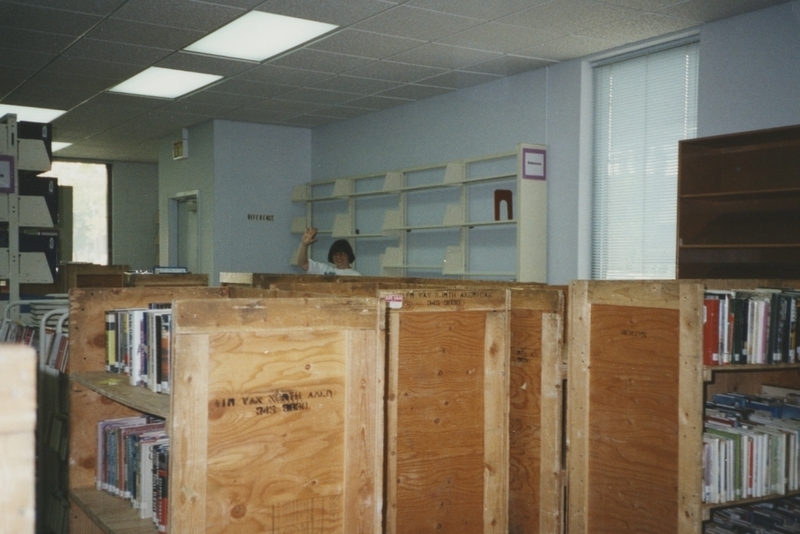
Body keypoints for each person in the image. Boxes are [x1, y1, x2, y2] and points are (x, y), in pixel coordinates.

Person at [296, 227, 361, 276]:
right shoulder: (324, 270)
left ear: (349, 255)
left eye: (342, 253)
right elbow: (303, 264)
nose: (338, 257)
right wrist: (304, 245)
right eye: (335, 254)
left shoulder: (356, 275)